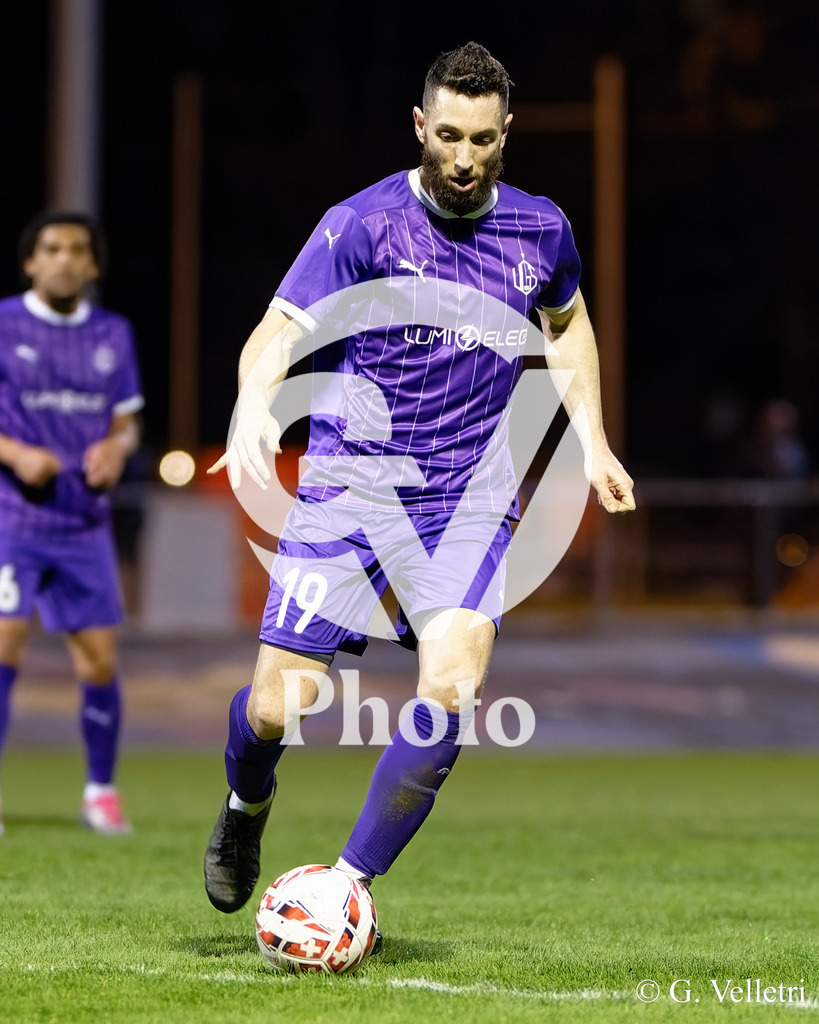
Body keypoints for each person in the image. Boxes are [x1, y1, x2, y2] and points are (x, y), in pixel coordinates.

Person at [204, 42, 635, 922]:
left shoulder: (540, 229)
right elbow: (276, 335)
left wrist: (592, 442)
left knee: (450, 691)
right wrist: (253, 406)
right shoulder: (360, 225)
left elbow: (566, 325)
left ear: (505, 132)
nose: (464, 158)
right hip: (350, 489)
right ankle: (246, 804)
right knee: (277, 708)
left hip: (468, 499)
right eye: (447, 137)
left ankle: (345, 886)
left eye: (482, 139)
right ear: (418, 126)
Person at [0, 211, 144, 835]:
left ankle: (100, 793)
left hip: (83, 522)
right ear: (31, 262)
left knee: (100, 664)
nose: (64, 258)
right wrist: (15, 454)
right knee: (4, 645)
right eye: (52, 248)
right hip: (13, 518)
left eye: (77, 249)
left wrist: (116, 448)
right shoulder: (4, 323)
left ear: (92, 265)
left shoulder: (113, 333)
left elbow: (126, 422)